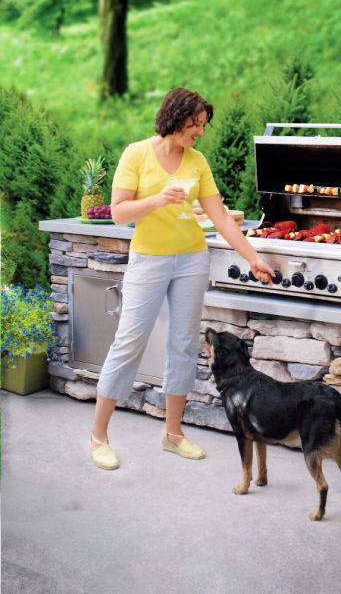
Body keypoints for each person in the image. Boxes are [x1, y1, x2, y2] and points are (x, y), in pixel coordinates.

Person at [89, 87, 274, 470]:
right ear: (176, 118)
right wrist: (159, 199)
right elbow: (120, 212)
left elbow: (220, 216)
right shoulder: (136, 155)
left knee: (185, 345)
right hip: (149, 260)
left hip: (191, 259)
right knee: (130, 341)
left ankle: (173, 434)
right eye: (196, 124)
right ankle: (98, 437)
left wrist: (253, 257)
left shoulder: (197, 161)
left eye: (203, 125)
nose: (200, 132)